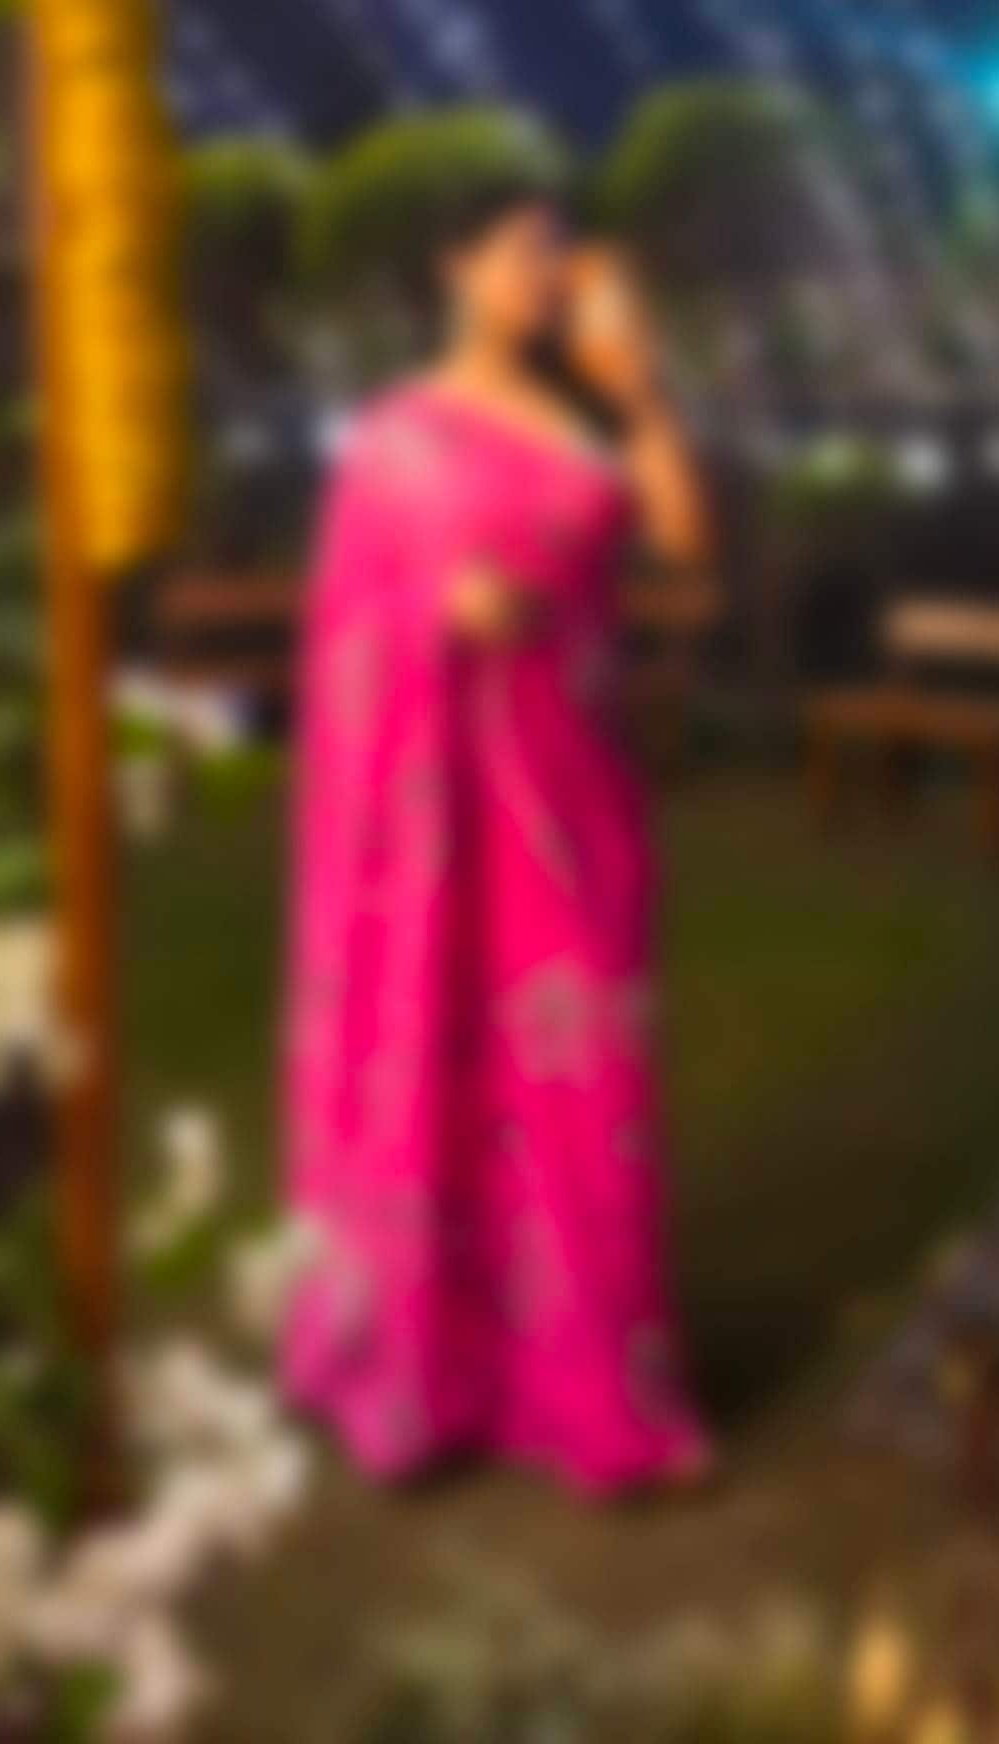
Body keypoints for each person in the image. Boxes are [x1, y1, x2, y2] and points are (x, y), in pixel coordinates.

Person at [281, 177, 713, 1496]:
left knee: (582, 1087)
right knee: (438, 1068)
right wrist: (435, 608)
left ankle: (593, 1387)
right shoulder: (391, 440)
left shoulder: (582, 422)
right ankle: (429, 1374)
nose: (543, 275)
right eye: (522, 252)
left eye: (556, 254)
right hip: (438, 823)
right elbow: (346, 626)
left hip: (570, 798)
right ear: (456, 267)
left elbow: (685, 542)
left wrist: (640, 391)